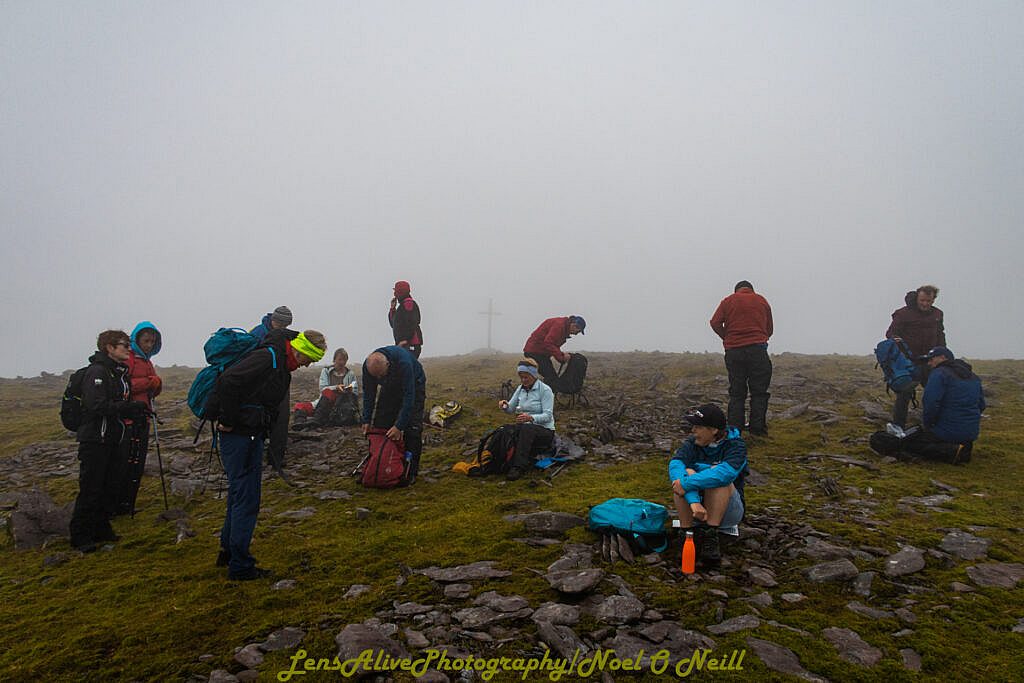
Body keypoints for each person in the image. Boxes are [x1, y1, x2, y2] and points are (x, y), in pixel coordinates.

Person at [205, 329, 327, 580]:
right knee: (247, 498)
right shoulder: (268, 357)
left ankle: (228, 552)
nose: (307, 365)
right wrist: (227, 421)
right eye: (309, 359)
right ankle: (239, 566)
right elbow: (229, 381)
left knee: (240, 494)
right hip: (239, 435)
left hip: (250, 433)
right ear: (300, 349)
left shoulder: (280, 363)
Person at [69, 330, 149, 552]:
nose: (128, 348)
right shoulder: (98, 371)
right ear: (109, 348)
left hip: (113, 437)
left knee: (109, 484)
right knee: (91, 487)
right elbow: (97, 406)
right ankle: (80, 536)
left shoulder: (118, 373)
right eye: (123, 345)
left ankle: (101, 527)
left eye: (128, 344)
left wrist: (134, 411)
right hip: (95, 439)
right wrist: (129, 407)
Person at [669, 403, 748, 567]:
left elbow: (725, 474)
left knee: (718, 480)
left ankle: (710, 535)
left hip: (728, 512)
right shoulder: (691, 444)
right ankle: (687, 533)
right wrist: (694, 501)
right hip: (695, 509)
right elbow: (675, 466)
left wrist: (688, 481)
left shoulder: (736, 446)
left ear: (713, 430)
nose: (693, 431)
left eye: (698, 427)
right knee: (684, 474)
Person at [709, 281, 773, 435]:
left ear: (736, 290)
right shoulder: (761, 300)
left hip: (734, 351)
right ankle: (757, 430)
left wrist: (728, 337)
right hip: (757, 350)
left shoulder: (728, 301)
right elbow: (769, 328)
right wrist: (760, 337)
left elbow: (715, 322)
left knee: (737, 392)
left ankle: (735, 430)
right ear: (751, 290)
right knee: (759, 391)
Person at [900, 346, 984, 464]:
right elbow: (981, 404)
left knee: (907, 442)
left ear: (942, 358)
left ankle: (952, 451)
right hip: (970, 433)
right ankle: (963, 450)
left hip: (946, 430)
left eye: (931, 359)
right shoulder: (973, 376)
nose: (929, 363)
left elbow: (931, 403)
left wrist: (928, 425)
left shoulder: (940, 373)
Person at [115, 321, 163, 515]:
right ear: (136, 340)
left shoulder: (146, 360)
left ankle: (128, 504)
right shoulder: (130, 359)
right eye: (146, 340)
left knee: (137, 462)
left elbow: (152, 390)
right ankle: (119, 504)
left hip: (143, 416)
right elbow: (123, 386)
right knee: (127, 462)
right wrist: (150, 382)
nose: (149, 344)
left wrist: (156, 384)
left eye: (152, 341)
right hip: (128, 418)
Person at [362, 345, 426, 483]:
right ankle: (381, 464)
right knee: (381, 423)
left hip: (414, 383)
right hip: (390, 386)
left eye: (381, 375)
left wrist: (399, 426)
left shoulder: (404, 363)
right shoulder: (369, 367)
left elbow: (410, 397)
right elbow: (369, 394)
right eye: (376, 376)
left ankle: (411, 471)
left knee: (412, 428)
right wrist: (366, 420)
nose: (378, 378)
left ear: (388, 364)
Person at [885, 285, 946, 427]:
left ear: (933, 299)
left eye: (929, 301)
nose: (925, 304)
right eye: (922, 300)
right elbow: (891, 333)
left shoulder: (937, 314)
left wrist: (943, 353)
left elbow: (940, 334)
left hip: (930, 361)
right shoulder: (903, 313)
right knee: (904, 394)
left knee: (934, 393)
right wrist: (898, 344)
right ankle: (898, 427)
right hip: (908, 362)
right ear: (917, 297)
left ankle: (935, 426)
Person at [250, 306, 294, 474]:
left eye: (287, 325)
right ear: (274, 320)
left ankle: (276, 459)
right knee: (259, 419)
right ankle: (255, 457)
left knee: (282, 419)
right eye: (282, 324)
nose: (284, 327)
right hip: (259, 384)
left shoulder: (284, 335)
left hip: (280, 382)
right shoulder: (258, 333)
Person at [497, 358, 556, 481]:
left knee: (526, 429)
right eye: (521, 377)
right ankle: (498, 461)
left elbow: (548, 416)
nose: (523, 380)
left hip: (545, 432)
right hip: (526, 428)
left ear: (534, 375)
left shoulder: (545, 390)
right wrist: (504, 406)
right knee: (504, 430)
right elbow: (511, 409)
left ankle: (518, 467)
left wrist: (530, 418)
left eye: (526, 377)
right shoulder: (520, 389)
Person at [294, 348, 360, 428]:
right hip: (323, 402)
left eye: (344, 360)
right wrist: (336, 387)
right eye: (340, 359)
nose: (342, 362)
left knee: (329, 392)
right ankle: (299, 423)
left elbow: (355, 391)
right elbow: (323, 388)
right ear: (334, 360)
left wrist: (348, 390)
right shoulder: (326, 371)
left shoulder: (350, 374)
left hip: (341, 404)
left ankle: (316, 420)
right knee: (299, 406)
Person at [523, 315, 586, 385]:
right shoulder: (559, 326)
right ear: (574, 325)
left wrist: (561, 355)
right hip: (535, 352)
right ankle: (546, 394)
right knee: (551, 378)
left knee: (551, 377)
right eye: (578, 331)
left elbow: (554, 345)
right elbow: (548, 343)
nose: (577, 334)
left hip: (540, 353)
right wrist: (561, 357)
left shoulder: (563, 327)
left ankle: (545, 392)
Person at [389, 281, 423, 358]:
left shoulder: (408, 303)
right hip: (404, 344)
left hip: (410, 344)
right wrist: (392, 309)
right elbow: (394, 325)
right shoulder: (402, 305)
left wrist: (405, 340)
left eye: (396, 292)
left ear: (400, 292)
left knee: (406, 367)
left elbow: (412, 324)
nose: (394, 294)